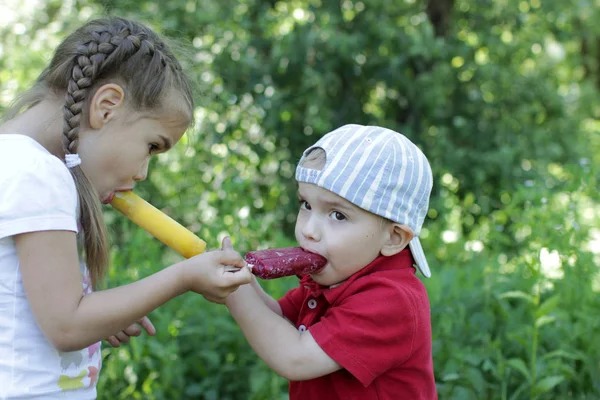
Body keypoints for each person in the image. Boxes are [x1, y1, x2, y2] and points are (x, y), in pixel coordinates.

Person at [0, 17, 251, 399]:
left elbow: (31, 305)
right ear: (106, 107)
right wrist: (183, 277)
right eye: (152, 145)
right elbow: (66, 325)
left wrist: (101, 315)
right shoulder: (40, 176)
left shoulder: (15, 162)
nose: (144, 172)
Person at [225, 124, 438, 399]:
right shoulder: (333, 278)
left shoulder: (391, 300)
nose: (309, 230)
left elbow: (295, 357)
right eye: (306, 205)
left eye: (338, 215)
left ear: (393, 238)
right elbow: (278, 319)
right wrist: (244, 278)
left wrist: (235, 292)